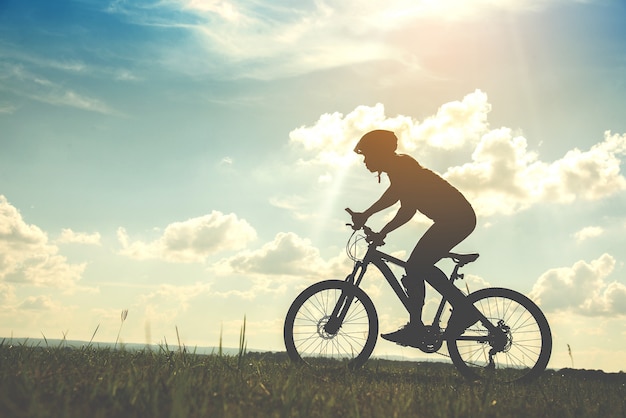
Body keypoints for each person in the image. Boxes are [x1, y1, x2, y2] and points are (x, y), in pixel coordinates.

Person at [349, 129, 477, 347]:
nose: (364, 160)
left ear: (379, 152)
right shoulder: (398, 169)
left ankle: (455, 313)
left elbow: (396, 199)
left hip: (457, 219)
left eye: (367, 154)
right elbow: (406, 207)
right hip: (452, 219)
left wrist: (369, 217)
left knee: (416, 266)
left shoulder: (403, 166)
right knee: (416, 267)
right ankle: (418, 326)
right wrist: (382, 230)